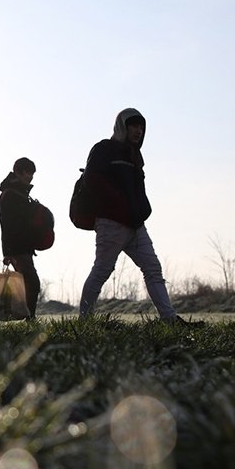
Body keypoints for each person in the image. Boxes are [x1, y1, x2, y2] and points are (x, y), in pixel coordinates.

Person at [76, 109, 194, 324]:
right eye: (133, 126)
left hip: (136, 225)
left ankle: (169, 319)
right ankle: (85, 321)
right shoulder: (104, 149)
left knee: (153, 269)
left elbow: (138, 189)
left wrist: (143, 209)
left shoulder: (135, 155)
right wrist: (118, 203)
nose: (138, 131)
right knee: (102, 270)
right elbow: (92, 180)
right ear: (122, 126)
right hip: (111, 222)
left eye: (141, 127)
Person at [0, 157, 43, 318]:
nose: (30, 177)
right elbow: (6, 225)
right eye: (26, 173)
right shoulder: (10, 195)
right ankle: (29, 318)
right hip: (17, 248)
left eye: (31, 173)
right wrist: (7, 252)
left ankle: (26, 317)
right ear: (17, 172)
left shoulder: (20, 194)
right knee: (32, 283)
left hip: (24, 247)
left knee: (28, 283)